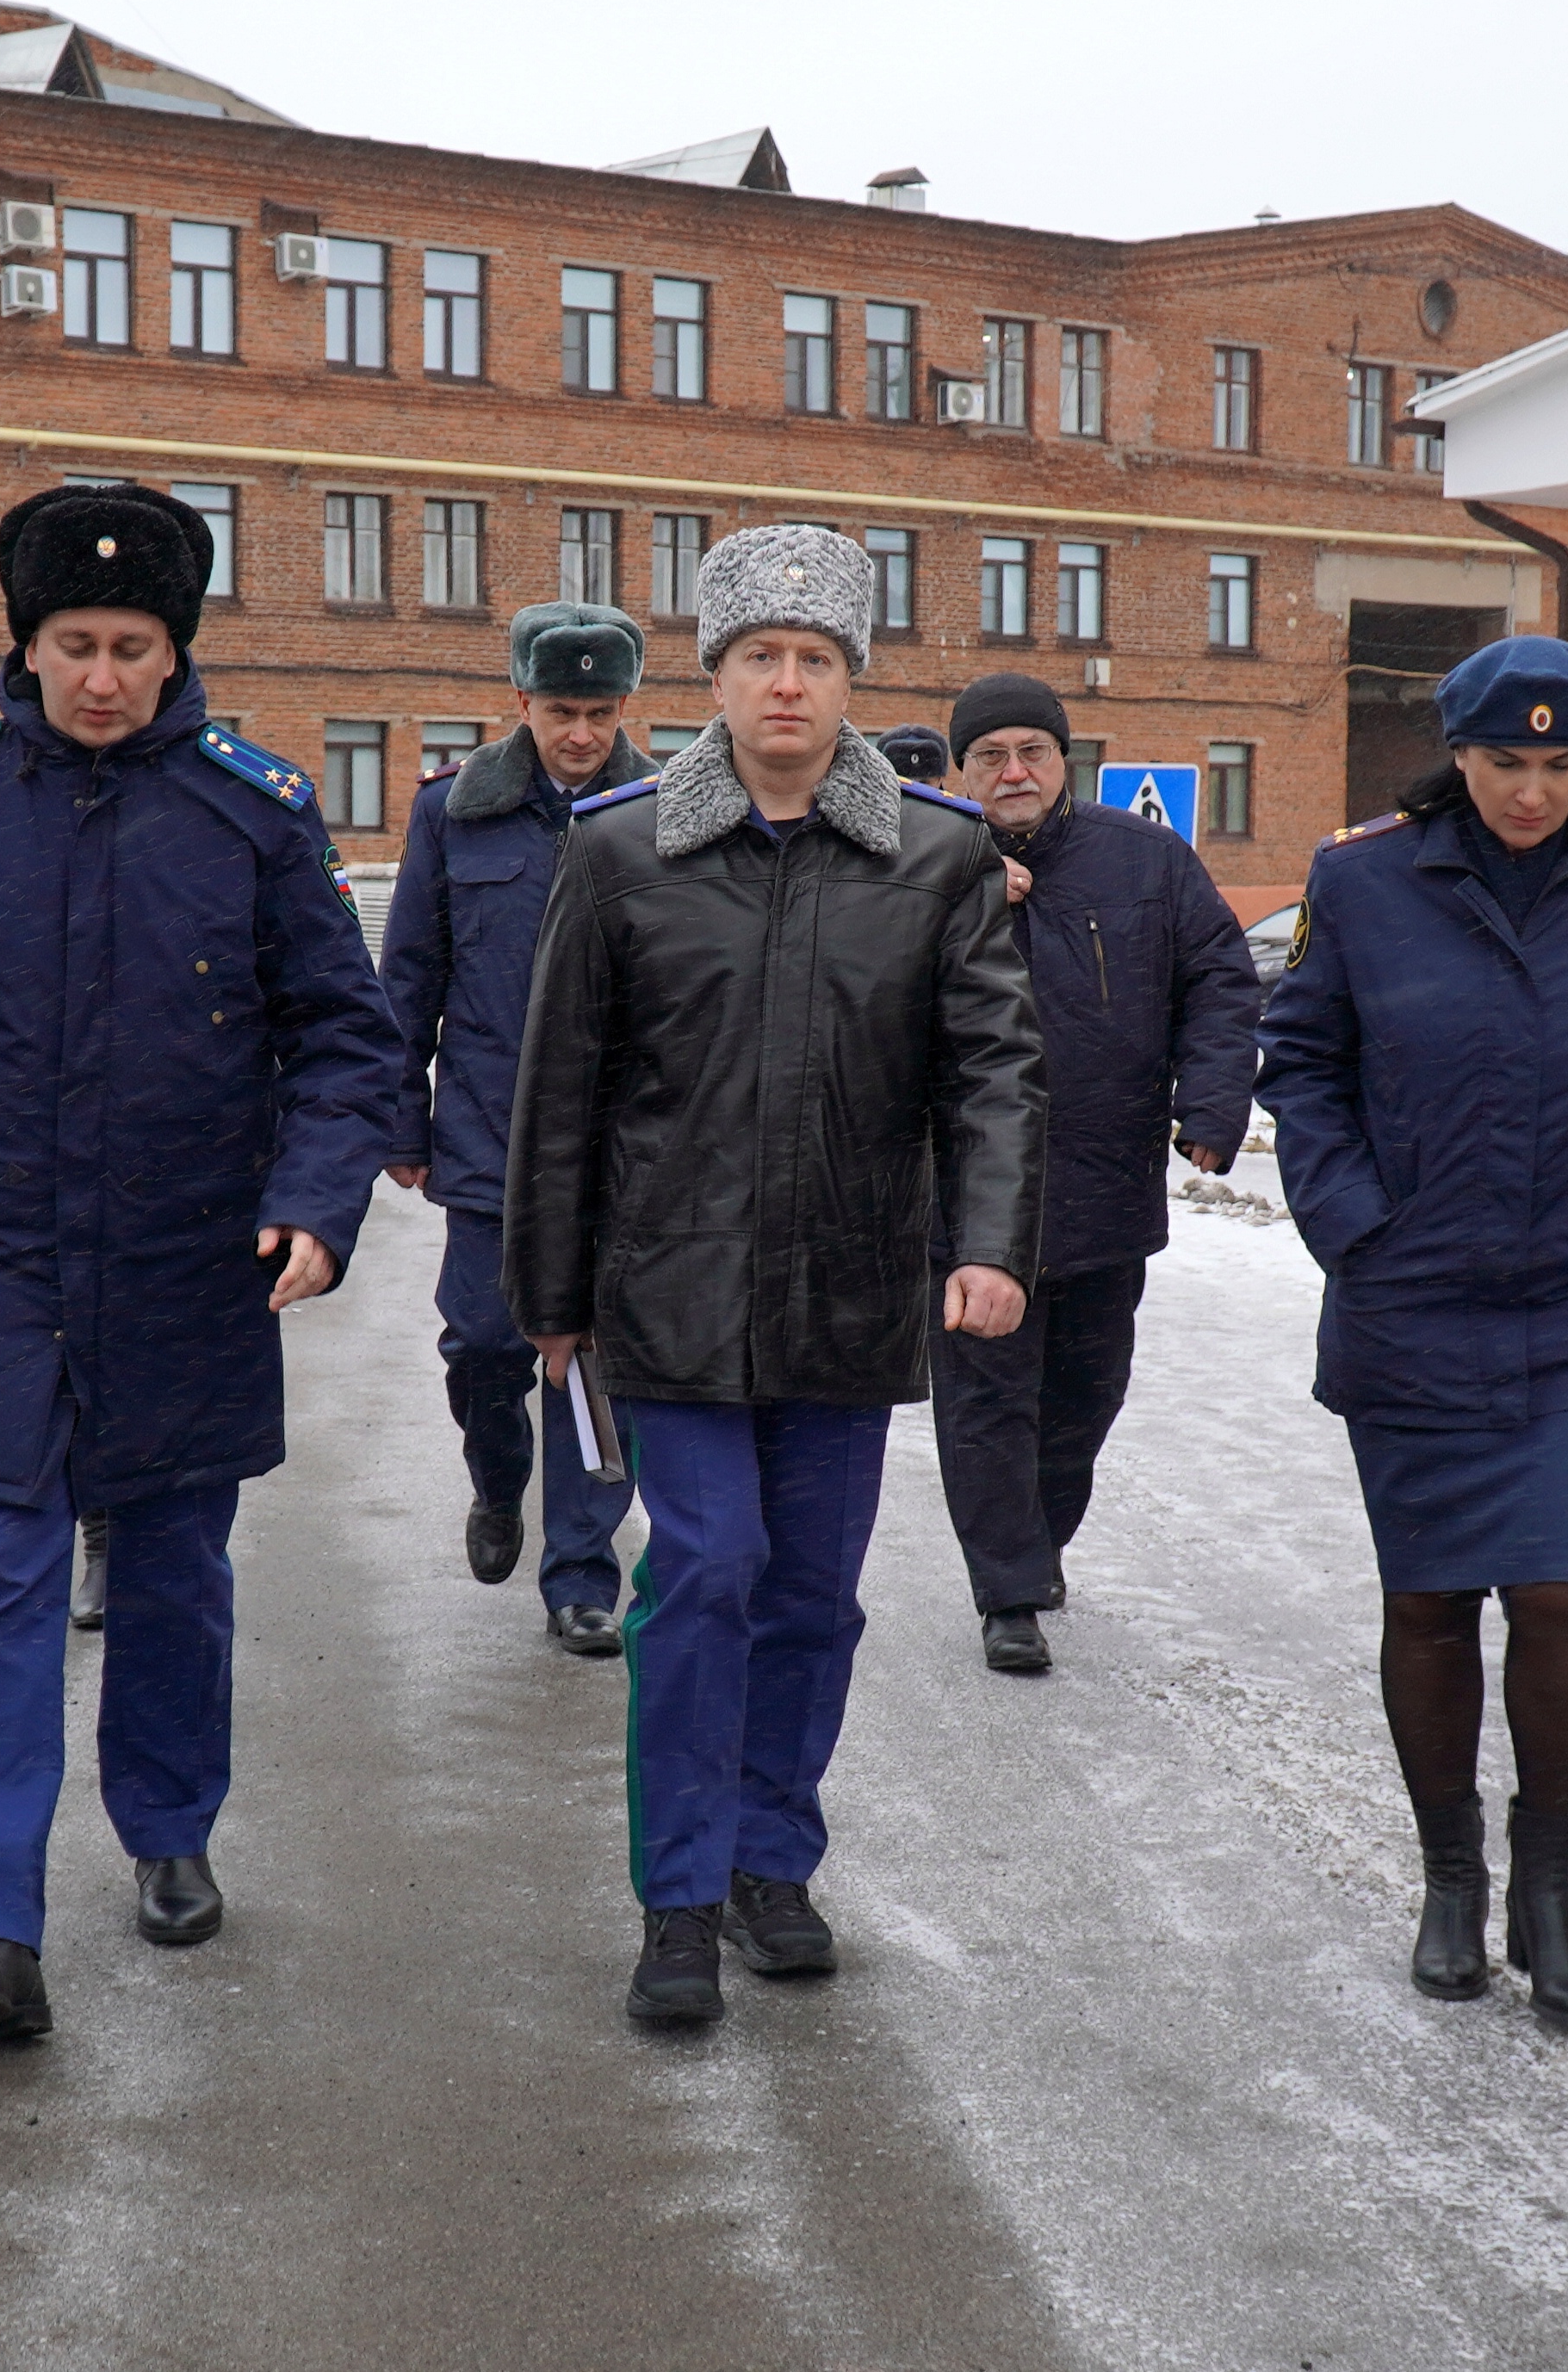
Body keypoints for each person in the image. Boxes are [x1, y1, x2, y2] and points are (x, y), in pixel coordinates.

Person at [0, 485, 406, 2047]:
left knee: (170, 1569)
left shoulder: (252, 813)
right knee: (0, 1567)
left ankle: (166, 1820)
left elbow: (345, 1036)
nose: (101, 677)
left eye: (132, 647)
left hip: (193, 1253)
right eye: (74, 643)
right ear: (26, 643)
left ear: (172, 651)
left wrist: (317, 1203)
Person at [503, 525, 1044, 2028]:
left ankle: (768, 1862)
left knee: (809, 1593)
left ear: (849, 679)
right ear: (715, 676)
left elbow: (993, 1069)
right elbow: (559, 1091)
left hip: (849, 1290)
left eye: (812, 659)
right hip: (664, 1296)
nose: (786, 685)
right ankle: (675, 1899)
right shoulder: (617, 851)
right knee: (708, 1572)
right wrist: (547, 1299)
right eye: (758, 658)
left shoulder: (931, 857)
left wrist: (988, 1242)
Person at [1255, 635, 1568, 2030]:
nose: (1530, 789)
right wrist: (1355, 1224)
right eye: (1501, 761)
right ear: (1453, 756)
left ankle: (1547, 1888)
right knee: (1424, 1602)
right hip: (1409, 1297)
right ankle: (1447, 1878)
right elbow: (1298, 1062)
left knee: (1557, 1592)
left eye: (1558, 761)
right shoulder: (1360, 880)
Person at [932, 671, 1259, 1674]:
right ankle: (1008, 1588)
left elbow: (1218, 978)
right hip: (966, 1187)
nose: (1013, 770)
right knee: (986, 1396)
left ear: (1064, 761)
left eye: (1031, 750)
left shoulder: (1146, 861)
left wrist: (1209, 1100)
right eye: (990, 754)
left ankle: (1041, 1537)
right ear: (963, 769)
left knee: (1084, 1390)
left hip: (1105, 1173)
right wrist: (965, 887)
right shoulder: (923, 862)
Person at [379, 601, 651, 1653]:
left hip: (619, 1141)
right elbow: (410, 975)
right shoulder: (455, 812)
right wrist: (401, 1116)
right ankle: (496, 1477)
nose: (578, 732)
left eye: (596, 709)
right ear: (519, 704)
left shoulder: (665, 809)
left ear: (626, 707)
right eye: (557, 709)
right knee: (486, 1345)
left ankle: (580, 1573)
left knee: (591, 1359)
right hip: (488, 1133)